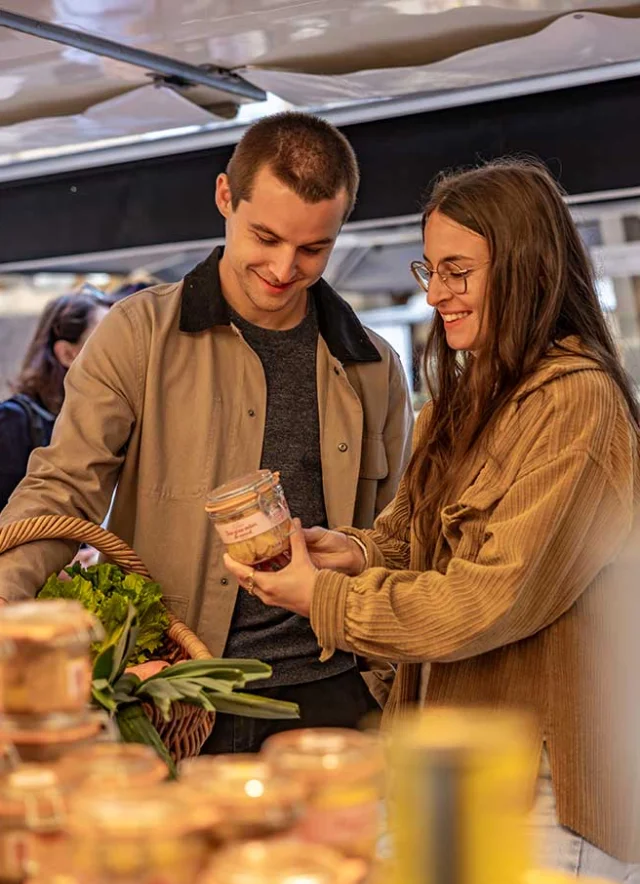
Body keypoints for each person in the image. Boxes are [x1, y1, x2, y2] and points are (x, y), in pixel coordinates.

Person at [223, 157, 640, 884]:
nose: (437, 293)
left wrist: (320, 600)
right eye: (431, 270)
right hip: (457, 770)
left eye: (459, 271)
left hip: (546, 793)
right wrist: (345, 552)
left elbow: (487, 601)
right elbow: (408, 536)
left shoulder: (576, 404)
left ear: (527, 270)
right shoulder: (463, 396)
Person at [0, 112, 413, 753]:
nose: (283, 268)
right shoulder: (138, 334)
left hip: (339, 696)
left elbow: (397, 536)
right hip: (177, 695)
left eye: (312, 248)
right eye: (266, 237)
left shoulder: (375, 366)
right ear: (225, 196)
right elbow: (62, 488)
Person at [0, 291, 109, 512]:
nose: (118, 355)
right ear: (67, 354)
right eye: (105, 345)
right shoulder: (14, 421)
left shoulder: (104, 423)